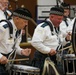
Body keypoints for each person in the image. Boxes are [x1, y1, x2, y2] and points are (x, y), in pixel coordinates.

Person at [31, 6, 71, 75]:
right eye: (59, 19)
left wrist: (66, 39)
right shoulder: (43, 27)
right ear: (51, 17)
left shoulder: (57, 28)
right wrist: (48, 50)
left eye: (61, 19)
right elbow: (35, 42)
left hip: (54, 59)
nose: (61, 21)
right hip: (43, 60)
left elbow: (59, 44)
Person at [0, 7, 32, 75]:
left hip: (7, 62)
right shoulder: (3, 27)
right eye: (25, 21)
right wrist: (0, 56)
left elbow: (14, 47)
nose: (26, 24)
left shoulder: (19, 30)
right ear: (17, 19)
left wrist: (21, 51)